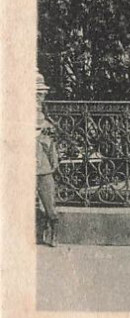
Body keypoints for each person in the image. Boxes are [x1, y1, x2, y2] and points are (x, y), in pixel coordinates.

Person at [36, 71, 59, 247]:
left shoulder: (46, 122)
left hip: (43, 167)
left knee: (49, 201)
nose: (40, 98)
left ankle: (52, 231)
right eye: (37, 94)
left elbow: (51, 146)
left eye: (42, 94)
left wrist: (53, 161)